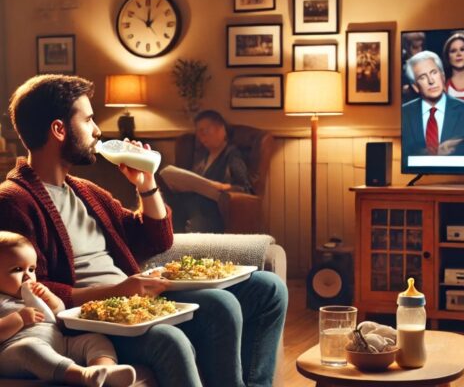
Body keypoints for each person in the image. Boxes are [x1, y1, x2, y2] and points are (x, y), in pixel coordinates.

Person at [0, 74, 288, 387]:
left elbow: (156, 240)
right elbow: (30, 289)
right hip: (93, 319)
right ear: (58, 129)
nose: (97, 130)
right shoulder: (14, 201)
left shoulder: (84, 190)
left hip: (133, 297)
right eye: (89, 120)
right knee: (221, 306)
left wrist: (146, 183)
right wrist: (118, 291)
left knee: (268, 288)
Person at [0, 231, 136, 387]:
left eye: (31, 269)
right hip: (12, 354)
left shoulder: (33, 294)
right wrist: (19, 319)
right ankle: (82, 375)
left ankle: (104, 370)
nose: (28, 276)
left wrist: (51, 299)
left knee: (95, 339)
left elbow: (59, 314)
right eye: (17, 269)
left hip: (58, 342)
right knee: (28, 349)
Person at [164, 110, 253, 233]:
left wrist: (222, 186)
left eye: (204, 131)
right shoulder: (203, 156)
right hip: (191, 205)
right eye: (198, 132)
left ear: (221, 129)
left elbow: (244, 187)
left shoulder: (232, 155)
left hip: (212, 211)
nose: (200, 137)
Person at [401, 50, 464, 166]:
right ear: (415, 87)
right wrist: (434, 155)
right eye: (422, 77)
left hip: (460, 181)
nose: (431, 81)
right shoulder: (404, 114)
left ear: (442, 76)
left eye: (434, 73)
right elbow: (403, 159)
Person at [442, 33, 464, 104]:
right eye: (453, 51)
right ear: (447, 57)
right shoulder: (442, 87)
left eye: (462, 49)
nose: (458, 54)